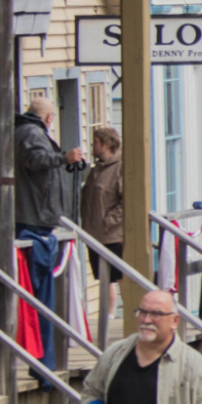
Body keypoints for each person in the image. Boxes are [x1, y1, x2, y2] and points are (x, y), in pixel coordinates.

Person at [12, 96, 85, 373]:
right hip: (35, 218)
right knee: (39, 289)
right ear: (49, 118)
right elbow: (35, 160)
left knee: (39, 289)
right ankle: (42, 359)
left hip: (37, 216)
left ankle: (44, 357)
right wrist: (63, 157)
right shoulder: (31, 132)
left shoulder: (28, 130)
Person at [80, 124, 125, 335]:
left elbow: (127, 202)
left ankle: (131, 312)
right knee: (103, 276)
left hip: (113, 234)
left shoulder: (120, 167)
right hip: (94, 234)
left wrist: (109, 221)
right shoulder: (96, 169)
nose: (92, 145)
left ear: (106, 144)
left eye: (96, 142)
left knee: (120, 275)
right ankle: (108, 316)